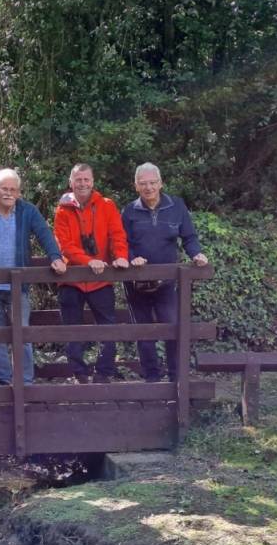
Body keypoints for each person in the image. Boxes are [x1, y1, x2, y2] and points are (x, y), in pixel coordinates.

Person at [0, 168, 66, 385]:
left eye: (13, 190)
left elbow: (45, 234)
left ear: (19, 193)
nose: (8, 193)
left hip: (19, 287)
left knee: (23, 337)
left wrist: (55, 257)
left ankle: (25, 382)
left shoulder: (28, 212)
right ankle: (4, 382)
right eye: (4, 189)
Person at [122, 162, 208, 382]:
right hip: (137, 282)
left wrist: (196, 254)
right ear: (136, 186)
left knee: (173, 328)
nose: (148, 187)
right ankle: (152, 378)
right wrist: (132, 258)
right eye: (143, 184)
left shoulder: (177, 206)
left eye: (152, 182)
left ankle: (175, 378)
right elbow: (120, 243)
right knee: (144, 333)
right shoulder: (129, 211)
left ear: (160, 183)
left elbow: (189, 237)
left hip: (167, 282)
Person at [54, 163, 129, 384]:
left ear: (93, 181)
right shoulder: (62, 210)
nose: (83, 183)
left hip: (100, 279)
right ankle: (79, 373)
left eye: (86, 179)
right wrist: (89, 261)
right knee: (71, 329)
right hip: (71, 280)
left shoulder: (107, 205)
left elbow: (117, 234)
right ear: (71, 182)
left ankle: (104, 373)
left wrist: (121, 255)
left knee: (108, 327)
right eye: (78, 180)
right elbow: (64, 245)